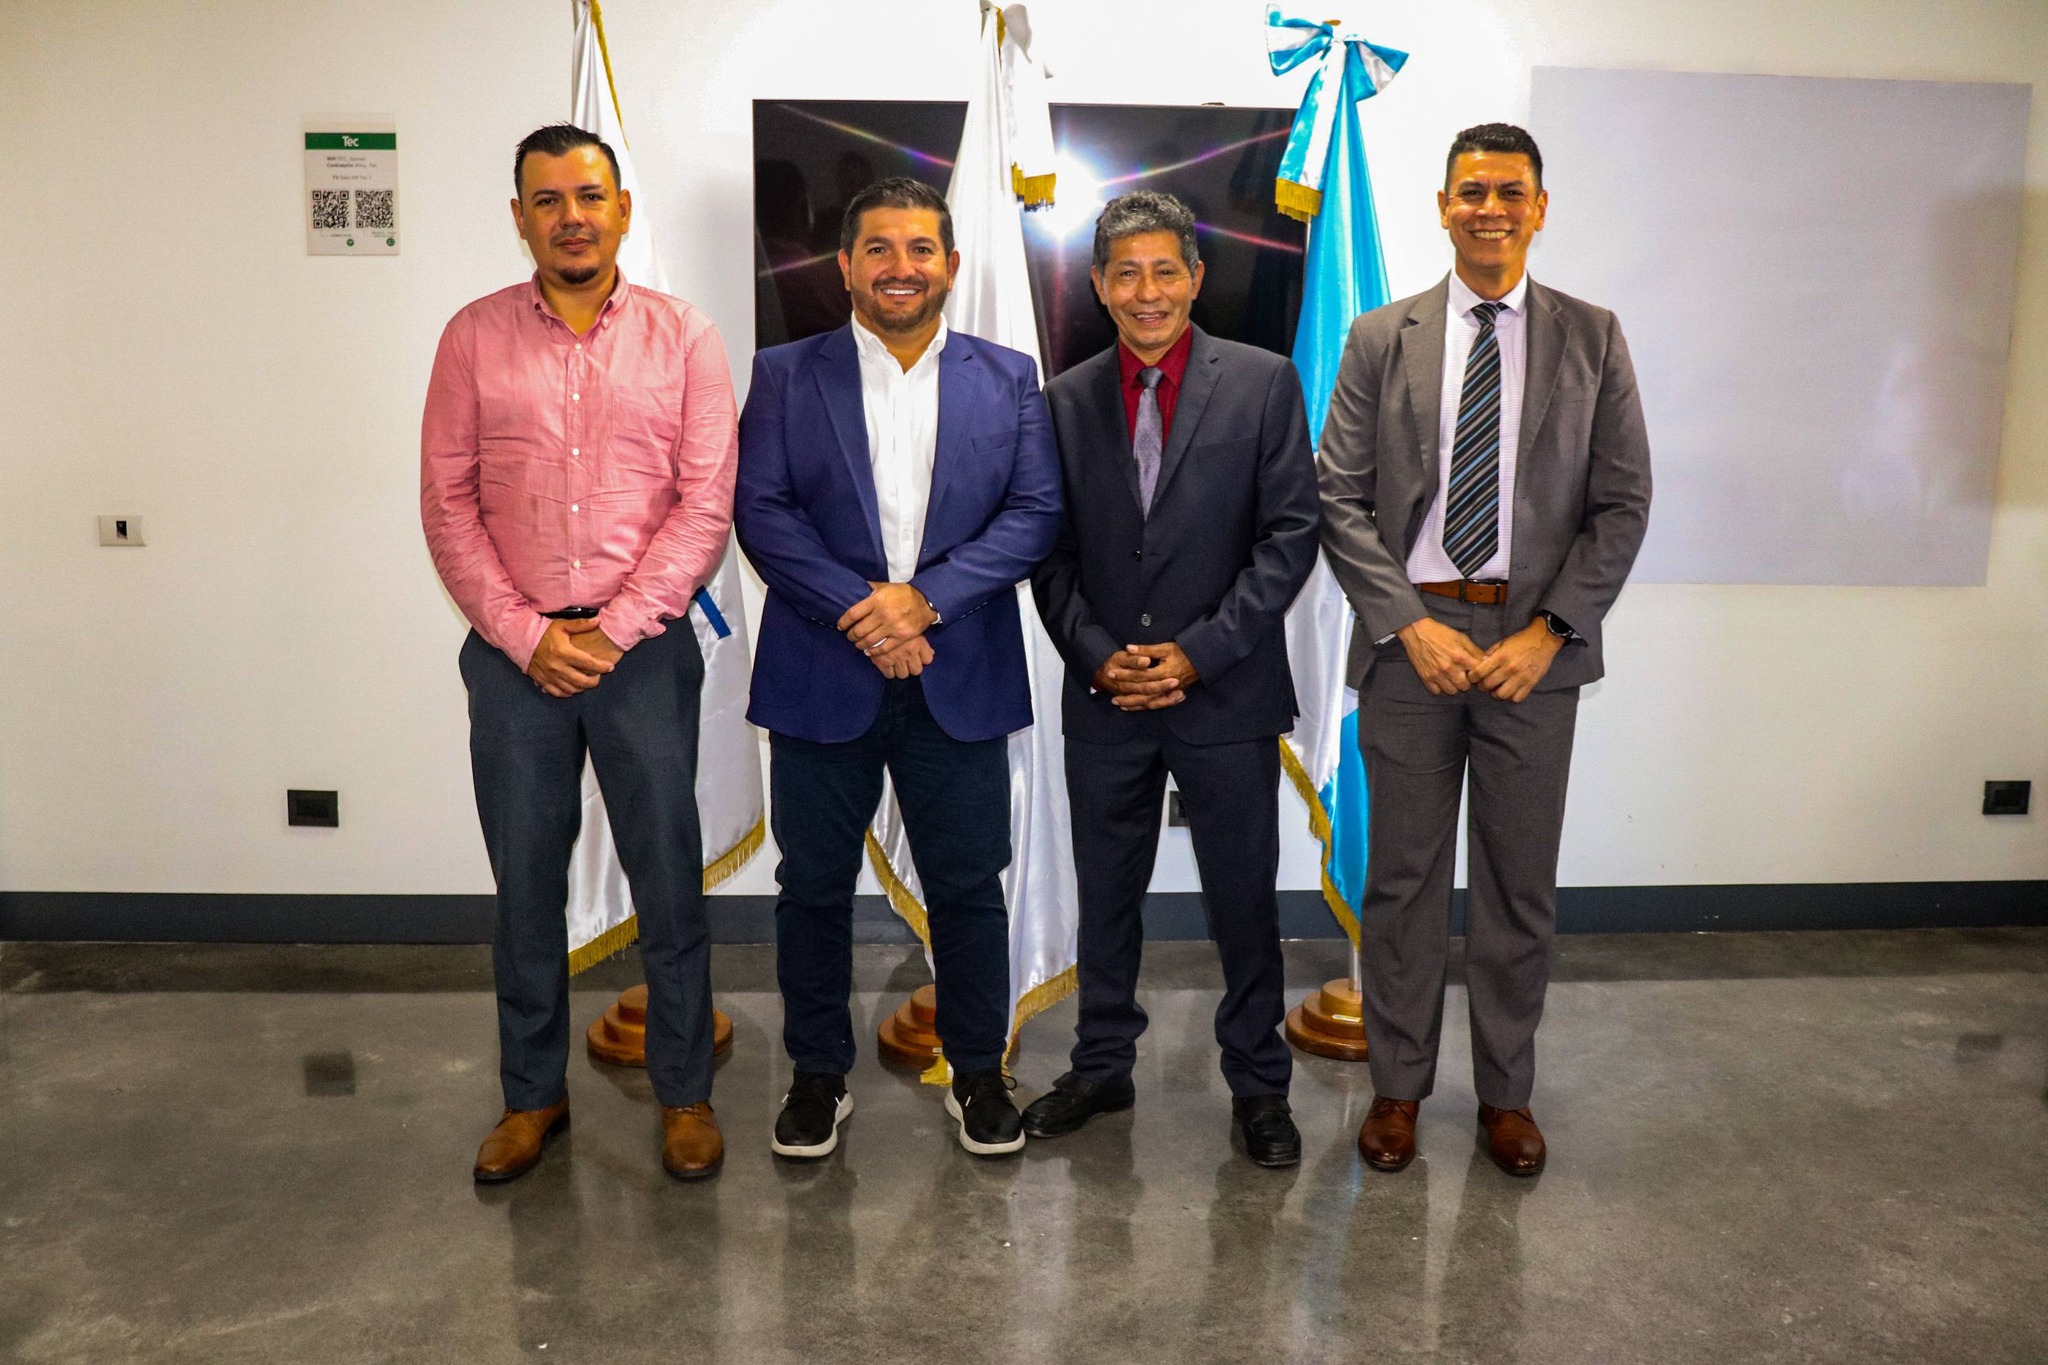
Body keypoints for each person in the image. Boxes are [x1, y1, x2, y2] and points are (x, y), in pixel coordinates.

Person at [1317, 123, 1652, 1176]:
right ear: (1443, 206)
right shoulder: (1382, 336)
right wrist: (1406, 623)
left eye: (1510, 191)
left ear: (1539, 208)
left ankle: (1506, 1095)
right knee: (1402, 883)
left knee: (1517, 887)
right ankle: (1397, 1090)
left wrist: (1550, 634)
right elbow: (1337, 495)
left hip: (1531, 650)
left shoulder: (1592, 336)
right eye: (1471, 191)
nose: (1489, 208)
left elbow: (1622, 503)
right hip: (1410, 643)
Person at [421, 123, 738, 1183]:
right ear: (519, 218)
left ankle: (684, 1092)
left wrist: (610, 629)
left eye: (589, 196)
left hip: (641, 650)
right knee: (523, 887)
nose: (571, 217)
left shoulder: (684, 337)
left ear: (622, 209)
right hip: (514, 659)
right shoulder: (471, 338)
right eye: (548, 200)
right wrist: (527, 635)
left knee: (668, 882)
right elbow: (447, 505)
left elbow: (705, 505)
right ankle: (531, 1096)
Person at [734, 177, 1062, 1160]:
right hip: (820, 670)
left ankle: (978, 1073)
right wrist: (864, 611)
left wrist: (923, 601)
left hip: (957, 671)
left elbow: (1034, 513)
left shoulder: (1008, 377)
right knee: (811, 887)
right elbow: (762, 512)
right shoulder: (785, 373)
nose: (900, 267)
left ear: (950, 266)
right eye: (877, 248)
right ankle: (817, 1076)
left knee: (968, 885)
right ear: (845, 266)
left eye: (920, 249)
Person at [1025, 191, 1320, 1168]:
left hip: (1225, 694)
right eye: (1125, 273)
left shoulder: (1263, 382)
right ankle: (1101, 1063)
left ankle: (1259, 1084)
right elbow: (1048, 551)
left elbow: (1289, 535)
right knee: (1105, 896)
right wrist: (1093, 651)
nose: (1146, 291)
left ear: (1195, 277)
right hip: (1106, 694)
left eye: (1164, 270)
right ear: (1098, 285)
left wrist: (1199, 651)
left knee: (1243, 901)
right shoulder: (1063, 400)